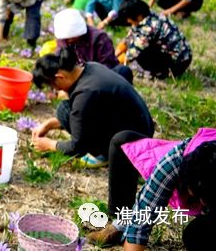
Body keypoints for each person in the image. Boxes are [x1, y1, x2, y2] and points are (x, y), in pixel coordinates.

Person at [86, 129, 216, 249]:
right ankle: (121, 223)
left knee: (196, 237)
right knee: (122, 141)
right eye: (199, 196)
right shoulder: (174, 163)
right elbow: (142, 218)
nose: (203, 203)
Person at [30, 47, 154, 168]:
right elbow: (86, 112)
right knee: (65, 111)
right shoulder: (91, 67)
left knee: (65, 110)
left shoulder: (85, 94)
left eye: (53, 86)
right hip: (142, 130)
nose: (56, 90)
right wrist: (49, 124)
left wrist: (49, 144)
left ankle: (104, 155)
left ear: (60, 77)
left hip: (130, 146)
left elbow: (77, 148)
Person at [116, 0, 192, 79]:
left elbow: (132, 53)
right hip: (180, 55)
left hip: (178, 62)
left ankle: (159, 73)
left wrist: (113, 63)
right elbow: (129, 38)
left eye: (128, 18)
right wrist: (115, 54)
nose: (128, 21)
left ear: (138, 16)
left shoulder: (150, 27)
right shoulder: (148, 15)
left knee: (141, 54)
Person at [53, 8, 133, 83]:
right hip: (77, 79)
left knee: (123, 71)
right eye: (66, 38)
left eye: (71, 37)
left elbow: (107, 66)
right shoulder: (63, 40)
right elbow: (60, 61)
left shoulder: (99, 38)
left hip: (101, 77)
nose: (68, 40)